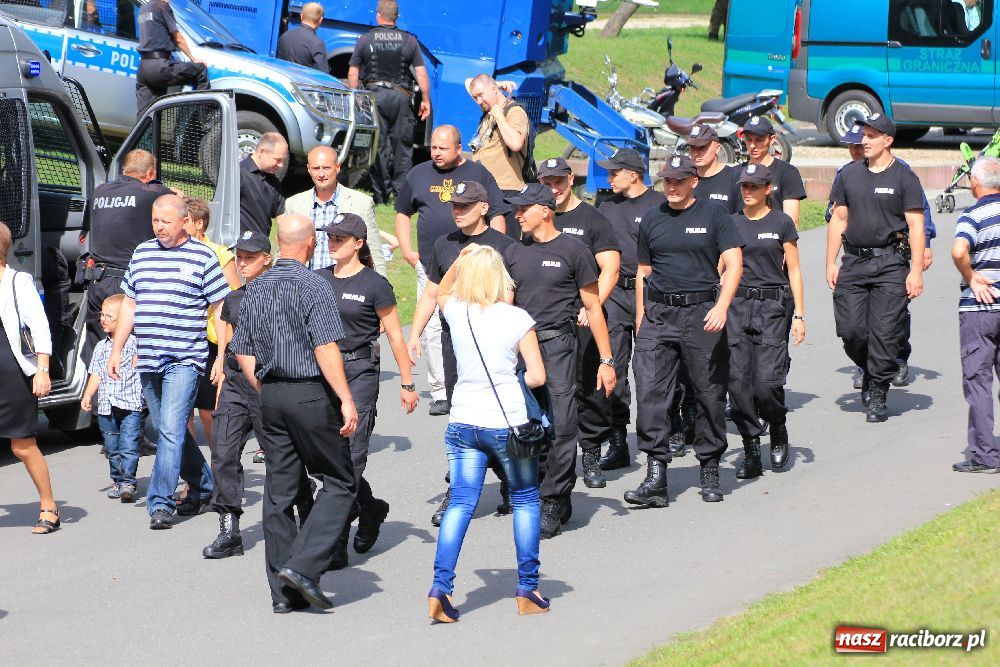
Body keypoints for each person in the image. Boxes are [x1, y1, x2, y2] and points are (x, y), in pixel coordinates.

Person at [230, 213, 359, 614]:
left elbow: (242, 349)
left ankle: (283, 595)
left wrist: (265, 389)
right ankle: (303, 566)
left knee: (280, 491)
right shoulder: (314, 285)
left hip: (271, 394)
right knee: (340, 481)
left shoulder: (255, 287)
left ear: (277, 243)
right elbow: (325, 347)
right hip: (309, 394)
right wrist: (346, 398)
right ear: (310, 243)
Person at [427, 244, 549, 623]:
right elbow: (538, 376)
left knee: (461, 503)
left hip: (463, 421)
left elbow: (440, 291)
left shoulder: (457, 312)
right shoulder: (517, 318)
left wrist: (459, 261)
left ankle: (441, 587)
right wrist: (515, 378)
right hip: (508, 423)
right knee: (525, 499)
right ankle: (528, 589)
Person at [625, 155, 744, 507]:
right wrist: (641, 317)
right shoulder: (652, 218)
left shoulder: (714, 215)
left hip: (701, 313)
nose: (672, 187)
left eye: (679, 180)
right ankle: (656, 477)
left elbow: (734, 263)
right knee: (650, 392)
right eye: (667, 180)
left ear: (694, 181)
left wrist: (722, 306)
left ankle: (709, 468)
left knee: (709, 394)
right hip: (659, 315)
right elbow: (644, 272)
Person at [109, 195, 230, 529]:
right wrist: (117, 349)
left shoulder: (202, 256)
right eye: (155, 221)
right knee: (169, 429)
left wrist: (221, 355)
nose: (159, 227)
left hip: (185, 358)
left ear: (184, 221)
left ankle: (160, 502)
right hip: (149, 357)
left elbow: (221, 307)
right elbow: (129, 304)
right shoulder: (142, 253)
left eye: (166, 221)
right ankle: (204, 485)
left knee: (172, 429)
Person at [503, 184, 616, 539]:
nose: (517, 215)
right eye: (515, 210)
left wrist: (607, 360)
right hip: (521, 348)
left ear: (545, 211)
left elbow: (593, 307)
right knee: (526, 424)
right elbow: (504, 307)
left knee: (563, 423)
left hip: (559, 344)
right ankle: (539, 490)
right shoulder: (513, 252)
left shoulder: (574, 250)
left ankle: (554, 497)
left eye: (523, 209)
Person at [407, 181, 517, 526]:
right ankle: (458, 490)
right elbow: (432, 293)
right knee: (461, 419)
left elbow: (511, 300)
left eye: (465, 206)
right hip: (455, 344)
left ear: (483, 208)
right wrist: (414, 334)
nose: (457, 211)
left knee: (497, 418)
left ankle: (509, 481)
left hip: (492, 347)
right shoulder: (444, 244)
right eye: (454, 205)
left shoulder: (504, 246)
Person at [201, 231, 315, 559]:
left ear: (268, 258)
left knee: (281, 456)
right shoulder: (234, 299)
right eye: (239, 257)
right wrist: (221, 368)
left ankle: (305, 504)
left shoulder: (283, 295)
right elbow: (228, 339)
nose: (242, 263)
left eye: (250, 257)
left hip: (269, 382)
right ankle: (229, 529)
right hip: (236, 383)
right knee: (223, 452)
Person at [315, 213, 418, 566]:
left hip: (360, 371)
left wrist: (407, 383)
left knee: (351, 455)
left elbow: (395, 336)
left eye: (340, 238)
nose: (332, 243)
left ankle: (335, 542)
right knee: (324, 458)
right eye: (330, 237)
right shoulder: (318, 280)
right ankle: (370, 508)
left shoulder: (375, 285)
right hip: (323, 373)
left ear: (359, 243)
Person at [395, 125, 509, 415]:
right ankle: (442, 390)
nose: (436, 153)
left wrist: (495, 252)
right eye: (433, 147)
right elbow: (402, 211)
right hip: (433, 261)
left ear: (459, 149)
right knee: (436, 327)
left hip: (480, 265)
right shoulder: (418, 174)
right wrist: (407, 250)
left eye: (443, 148)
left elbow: (497, 212)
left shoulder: (478, 173)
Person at [826, 114, 925, 423]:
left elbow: (916, 226)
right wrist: (831, 261)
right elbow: (838, 219)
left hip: (891, 263)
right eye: (863, 134)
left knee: (885, 332)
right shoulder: (848, 175)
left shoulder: (905, 178)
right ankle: (870, 369)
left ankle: (879, 389)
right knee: (851, 330)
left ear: (888, 140)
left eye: (871, 135)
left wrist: (916, 270)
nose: (864, 140)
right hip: (854, 262)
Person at [539, 157, 621, 489]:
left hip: (586, 317)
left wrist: (593, 305)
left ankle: (591, 453)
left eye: (558, 182)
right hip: (548, 321)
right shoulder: (535, 218)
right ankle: (553, 458)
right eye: (547, 183)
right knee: (551, 390)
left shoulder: (593, 219)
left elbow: (610, 268)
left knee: (591, 389)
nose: (553, 189)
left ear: (571, 179)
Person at [727, 164, 805, 478]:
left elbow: (794, 270)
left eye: (753, 187)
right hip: (738, 306)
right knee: (738, 384)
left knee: (768, 383)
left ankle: (778, 427)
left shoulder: (781, 222)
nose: (747, 192)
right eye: (744, 186)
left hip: (773, 307)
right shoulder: (731, 223)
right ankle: (750, 450)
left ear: (767, 189)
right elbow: (721, 266)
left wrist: (799, 314)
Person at [595, 148, 666, 471]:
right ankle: (618, 439)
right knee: (614, 368)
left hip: (652, 294)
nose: (609, 178)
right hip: (615, 293)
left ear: (633, 175)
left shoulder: (658, 205)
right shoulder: (607, 206)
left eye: (614, 172)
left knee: (654, 369)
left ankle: (668, 426)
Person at [84, 149, 174, 360]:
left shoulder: (99, 191)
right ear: (149, 174)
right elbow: (175, 203)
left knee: (98, 346)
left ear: (124, 169)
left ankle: (94, 381)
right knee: (129, 349)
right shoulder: (152, 193)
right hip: (128, 284)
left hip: (97, 280)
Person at [0, 224, 59, 534]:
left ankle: (49, 506)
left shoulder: (17, 282)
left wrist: (42, 370)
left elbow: (39, 326)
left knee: (22, 446)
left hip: (12, 372)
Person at [348, 0, 431, 204]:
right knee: (403, 148)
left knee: (378, 146)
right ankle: (401, 195)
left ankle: (381, 195)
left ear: (378, 15)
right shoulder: (410, 41)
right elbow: (421, 73)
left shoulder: (365, 39)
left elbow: (353, 73)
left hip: (374, 97)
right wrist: (426, 100)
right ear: (396, 17)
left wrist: (356, 98)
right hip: (401, 97)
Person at [952, 156, 1000, 474]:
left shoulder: (973, 215)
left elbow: (959, 251)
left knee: (979, 382)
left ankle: (985, 455)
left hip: (980, 308)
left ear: (975, 183)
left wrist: (971, 277)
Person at [183, 197, 241, 447]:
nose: (180, 226)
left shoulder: (220, 254)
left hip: (211, 337)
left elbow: (235, 298)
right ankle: (189, 466)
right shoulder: (174, 252)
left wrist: (225, 350)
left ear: (199, 224)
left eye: (185, 221)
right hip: (184, 337)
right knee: (183, 410)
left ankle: (218, 462)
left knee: (207, 410)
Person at [284, 145, 387, 276]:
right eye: (316, 168)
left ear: (337, 167)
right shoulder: (293, 204)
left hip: (346, 283)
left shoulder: (361, 203)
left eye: (326, 168)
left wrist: (381, 284)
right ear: (308, 169)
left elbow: (374, 251)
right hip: (304, 283)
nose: (321, 174)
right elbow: (284, 251)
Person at [82, 294, 144, 503]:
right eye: (102, 315)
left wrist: (142, 360)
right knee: (111, 448)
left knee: (129, 445)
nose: (103, 319)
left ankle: (128, 482)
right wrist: (88, 394)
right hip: (106, 406)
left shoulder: (135, 344)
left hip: (130, 404)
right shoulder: (101, 347)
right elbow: (96, 373)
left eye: (109, 316)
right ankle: (117, 480)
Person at [468, 74, 532, 237]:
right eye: (475, 97)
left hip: (506, 191)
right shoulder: (487, 106)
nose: (478, 101)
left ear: (493, 90)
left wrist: (499, 116)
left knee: (504, 244)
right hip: (484, 189)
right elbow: (468, 82)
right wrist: (497, 84)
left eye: (481, 95)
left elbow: (516, 144)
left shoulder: (514, 112)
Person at [135, 0, 209, 114]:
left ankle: (144, 126)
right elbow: (178, 38)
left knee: (146, 114)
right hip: (160, 66)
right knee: (200, 70)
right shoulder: (162, 6)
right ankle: (203, 120)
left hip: (143, 68)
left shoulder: (143, 9)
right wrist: (193, 58)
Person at [742, 116, 806, 227]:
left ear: (772, 139)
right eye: (749, 139)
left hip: (775, 235)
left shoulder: (787, 172)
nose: (752, 145)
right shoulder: (735, 172)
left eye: (759, 140)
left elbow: (791, 221)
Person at [239, 132, 288, 236]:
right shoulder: (239, 173)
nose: (281, 165)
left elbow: (281, 216)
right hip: (240, 243)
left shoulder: (273, 181)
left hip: (263, 243)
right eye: (277, 160)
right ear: (261, 152)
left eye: (283, 160)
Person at [690, 124, 741, 214]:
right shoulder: (685, 178)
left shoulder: (734, 179)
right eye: (692, 147)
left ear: (717, 148)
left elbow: (742, 217)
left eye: (702, 147)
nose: (695, 153)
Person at [276, 2, 329, 73]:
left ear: (301, 16)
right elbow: (323, 74)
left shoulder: (284, 36)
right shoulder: (317, 43)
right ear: (320, 20)